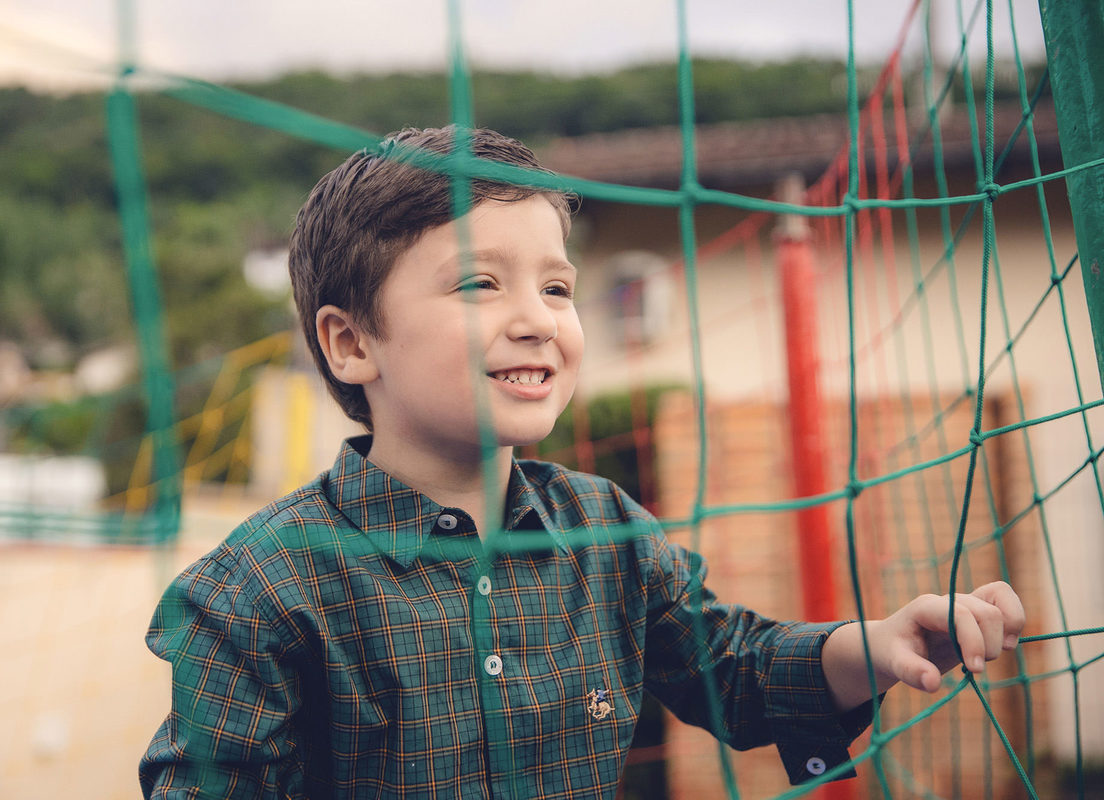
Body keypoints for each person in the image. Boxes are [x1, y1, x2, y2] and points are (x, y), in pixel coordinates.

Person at [139, 126, 1025, 799]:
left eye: (556, 286)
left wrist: (871, 647)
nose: (538, 318)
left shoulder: (607, 532)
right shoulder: (256, 591)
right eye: (481, 282)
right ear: (349, 341)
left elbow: (735, 671)